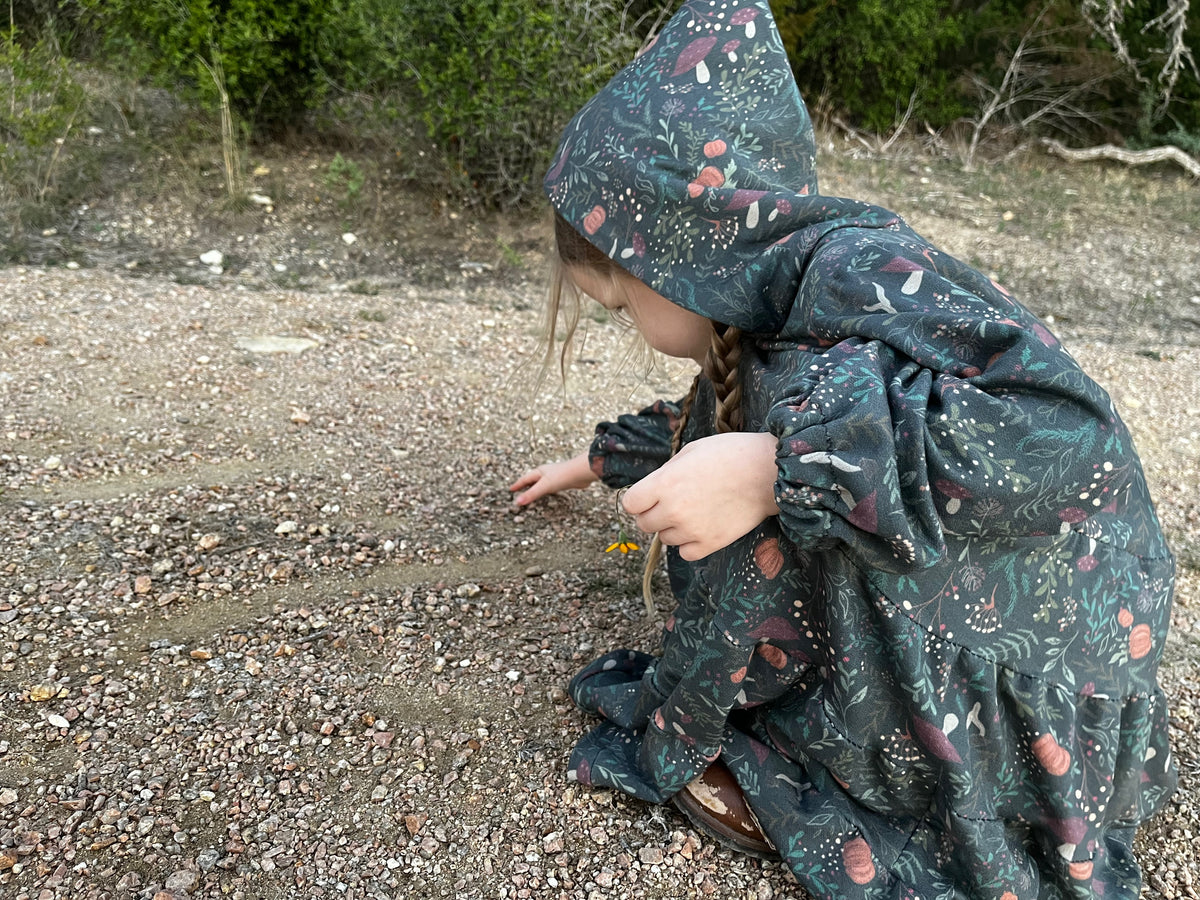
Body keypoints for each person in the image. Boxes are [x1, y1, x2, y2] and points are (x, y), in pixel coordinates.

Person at [509, 2, 1177, 896]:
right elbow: (713, 404)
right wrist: (600, 460)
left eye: (623, 303)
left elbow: (1065, 436)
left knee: (785, 468)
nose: (631, 322)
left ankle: (871, 757)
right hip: (988, 625)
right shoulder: (762, 288)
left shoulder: (855, 275)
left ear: (677, 251)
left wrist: (776, 471)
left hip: (1041, 669)